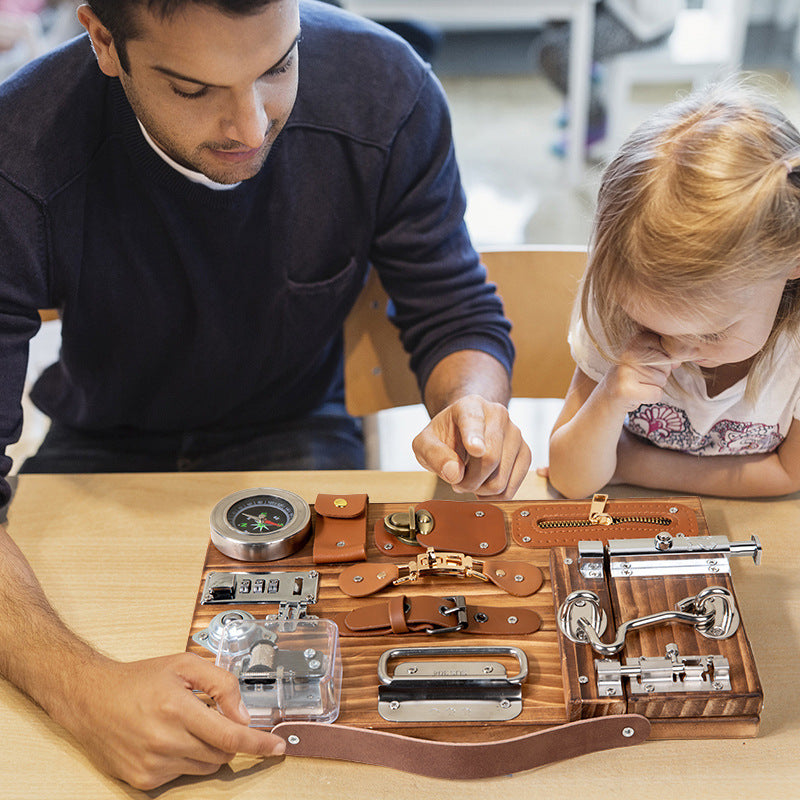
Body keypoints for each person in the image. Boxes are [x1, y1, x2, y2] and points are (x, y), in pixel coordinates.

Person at [0, 0, 531, 789]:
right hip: (103, 440)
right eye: (192, 89)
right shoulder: (20, 149)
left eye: (279, 67)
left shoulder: (383, 90)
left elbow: (453, 309)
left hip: (297, 424)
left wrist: (472, 405)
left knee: (328, 739)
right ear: (104, 41)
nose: (250, 125)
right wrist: (82, 690)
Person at [547, 81, 800, 499]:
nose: (675, 349)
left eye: (711, 333)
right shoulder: (620, 306)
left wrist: (630, 463)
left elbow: (790, 474)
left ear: (793, 259)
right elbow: (569, 478)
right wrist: (609, 398)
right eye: (649, 326)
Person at [537, 0, 682, 155]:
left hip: (645, 25)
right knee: (558, 17)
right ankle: (586, 82)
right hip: (620, 10)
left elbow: (649, 9)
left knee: (554, 53)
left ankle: (594, 119)